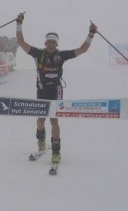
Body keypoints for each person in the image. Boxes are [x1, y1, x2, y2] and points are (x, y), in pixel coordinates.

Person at [16, 13, 97, 165]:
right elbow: (20, 41)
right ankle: (41, 142)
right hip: (41, 91)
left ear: (57, 43)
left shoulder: (62, 55)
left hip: (56, 92)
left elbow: (83, 49)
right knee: (40, 121)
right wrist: (19, 23)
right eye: (49, 41)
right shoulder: (38, 53)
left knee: (54, 120)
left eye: (53, 41)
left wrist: (91, 34)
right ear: (45, 43)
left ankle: (56, 152)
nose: (51, 44)